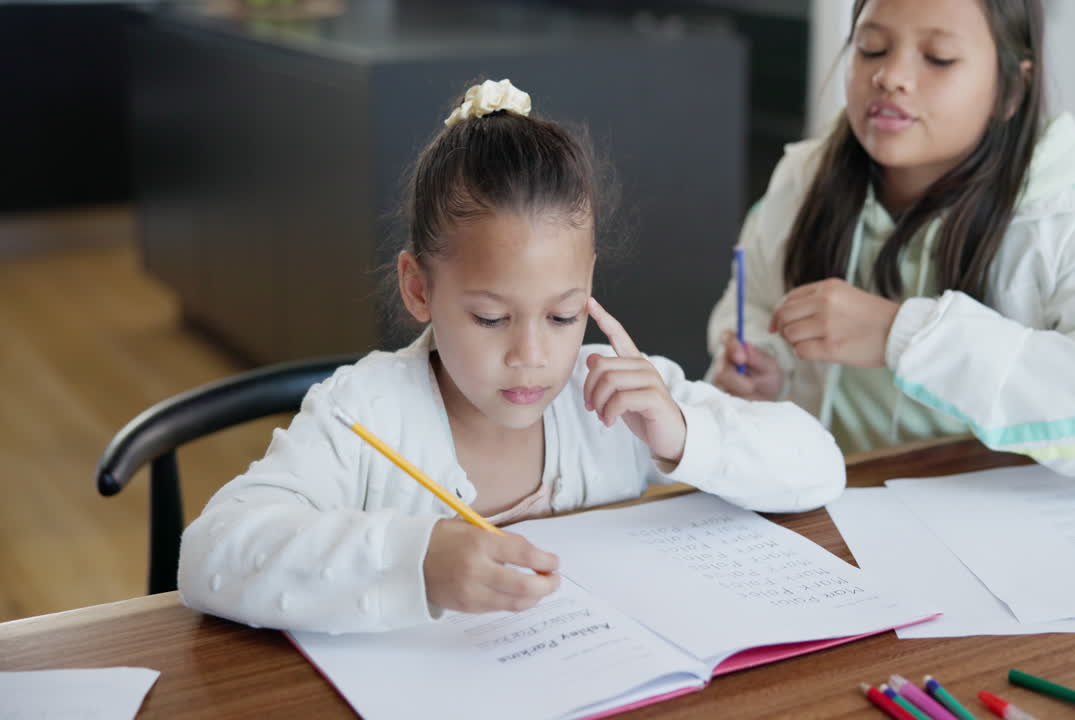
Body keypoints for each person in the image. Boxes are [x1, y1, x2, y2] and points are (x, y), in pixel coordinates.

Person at [178, 79, 845, 634]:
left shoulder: (612, 397)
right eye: (492, 317)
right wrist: (418, 562)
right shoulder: (364, 415)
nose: (532, 356)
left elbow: (819, 466)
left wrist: (683, 435)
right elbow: (212, 554)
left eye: (563, 314)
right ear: (419, 288)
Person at [707, 0, 1075, 475]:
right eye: (872, 48)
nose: (890, 76)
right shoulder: (802, 180)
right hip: (825, 500)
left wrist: (904, 336)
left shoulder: (1069, 218)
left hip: (987, 522)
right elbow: (754, 305)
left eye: (938, 58)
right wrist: (769, 367)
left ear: (1011, 91)